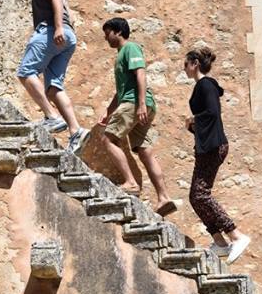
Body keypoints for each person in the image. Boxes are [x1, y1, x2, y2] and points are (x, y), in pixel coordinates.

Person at [11, 0, 89, 155]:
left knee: (26, 72)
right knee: (53, 87)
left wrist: (58, 27)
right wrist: (65, 28)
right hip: (67, 36)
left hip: (52, 30)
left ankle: (52, 116)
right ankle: (76, 131)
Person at [99, 17, 179, 216]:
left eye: (108, 33)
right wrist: (109, 112)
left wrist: (141, 104)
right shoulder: (121, 55)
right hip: (135, 102)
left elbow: (140, 74)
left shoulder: (130, 48)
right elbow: (121, 91)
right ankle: (163, 198)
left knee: (108, 139)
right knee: (144, 151)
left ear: (118, 31)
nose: (105, 38)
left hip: (135, 103)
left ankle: (131, 183)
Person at [184, 47, 250, 264]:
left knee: (201, 194)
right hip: (207, 147)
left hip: (213, 146)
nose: (184, 68)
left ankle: (236, 236)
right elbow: (209, 116)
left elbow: (213, 112)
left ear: (194, 63)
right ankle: (219, 243)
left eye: (186, 64)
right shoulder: (203, 86)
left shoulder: (206, 84)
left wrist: (194, 120)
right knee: (195, 196)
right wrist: (194, 126)